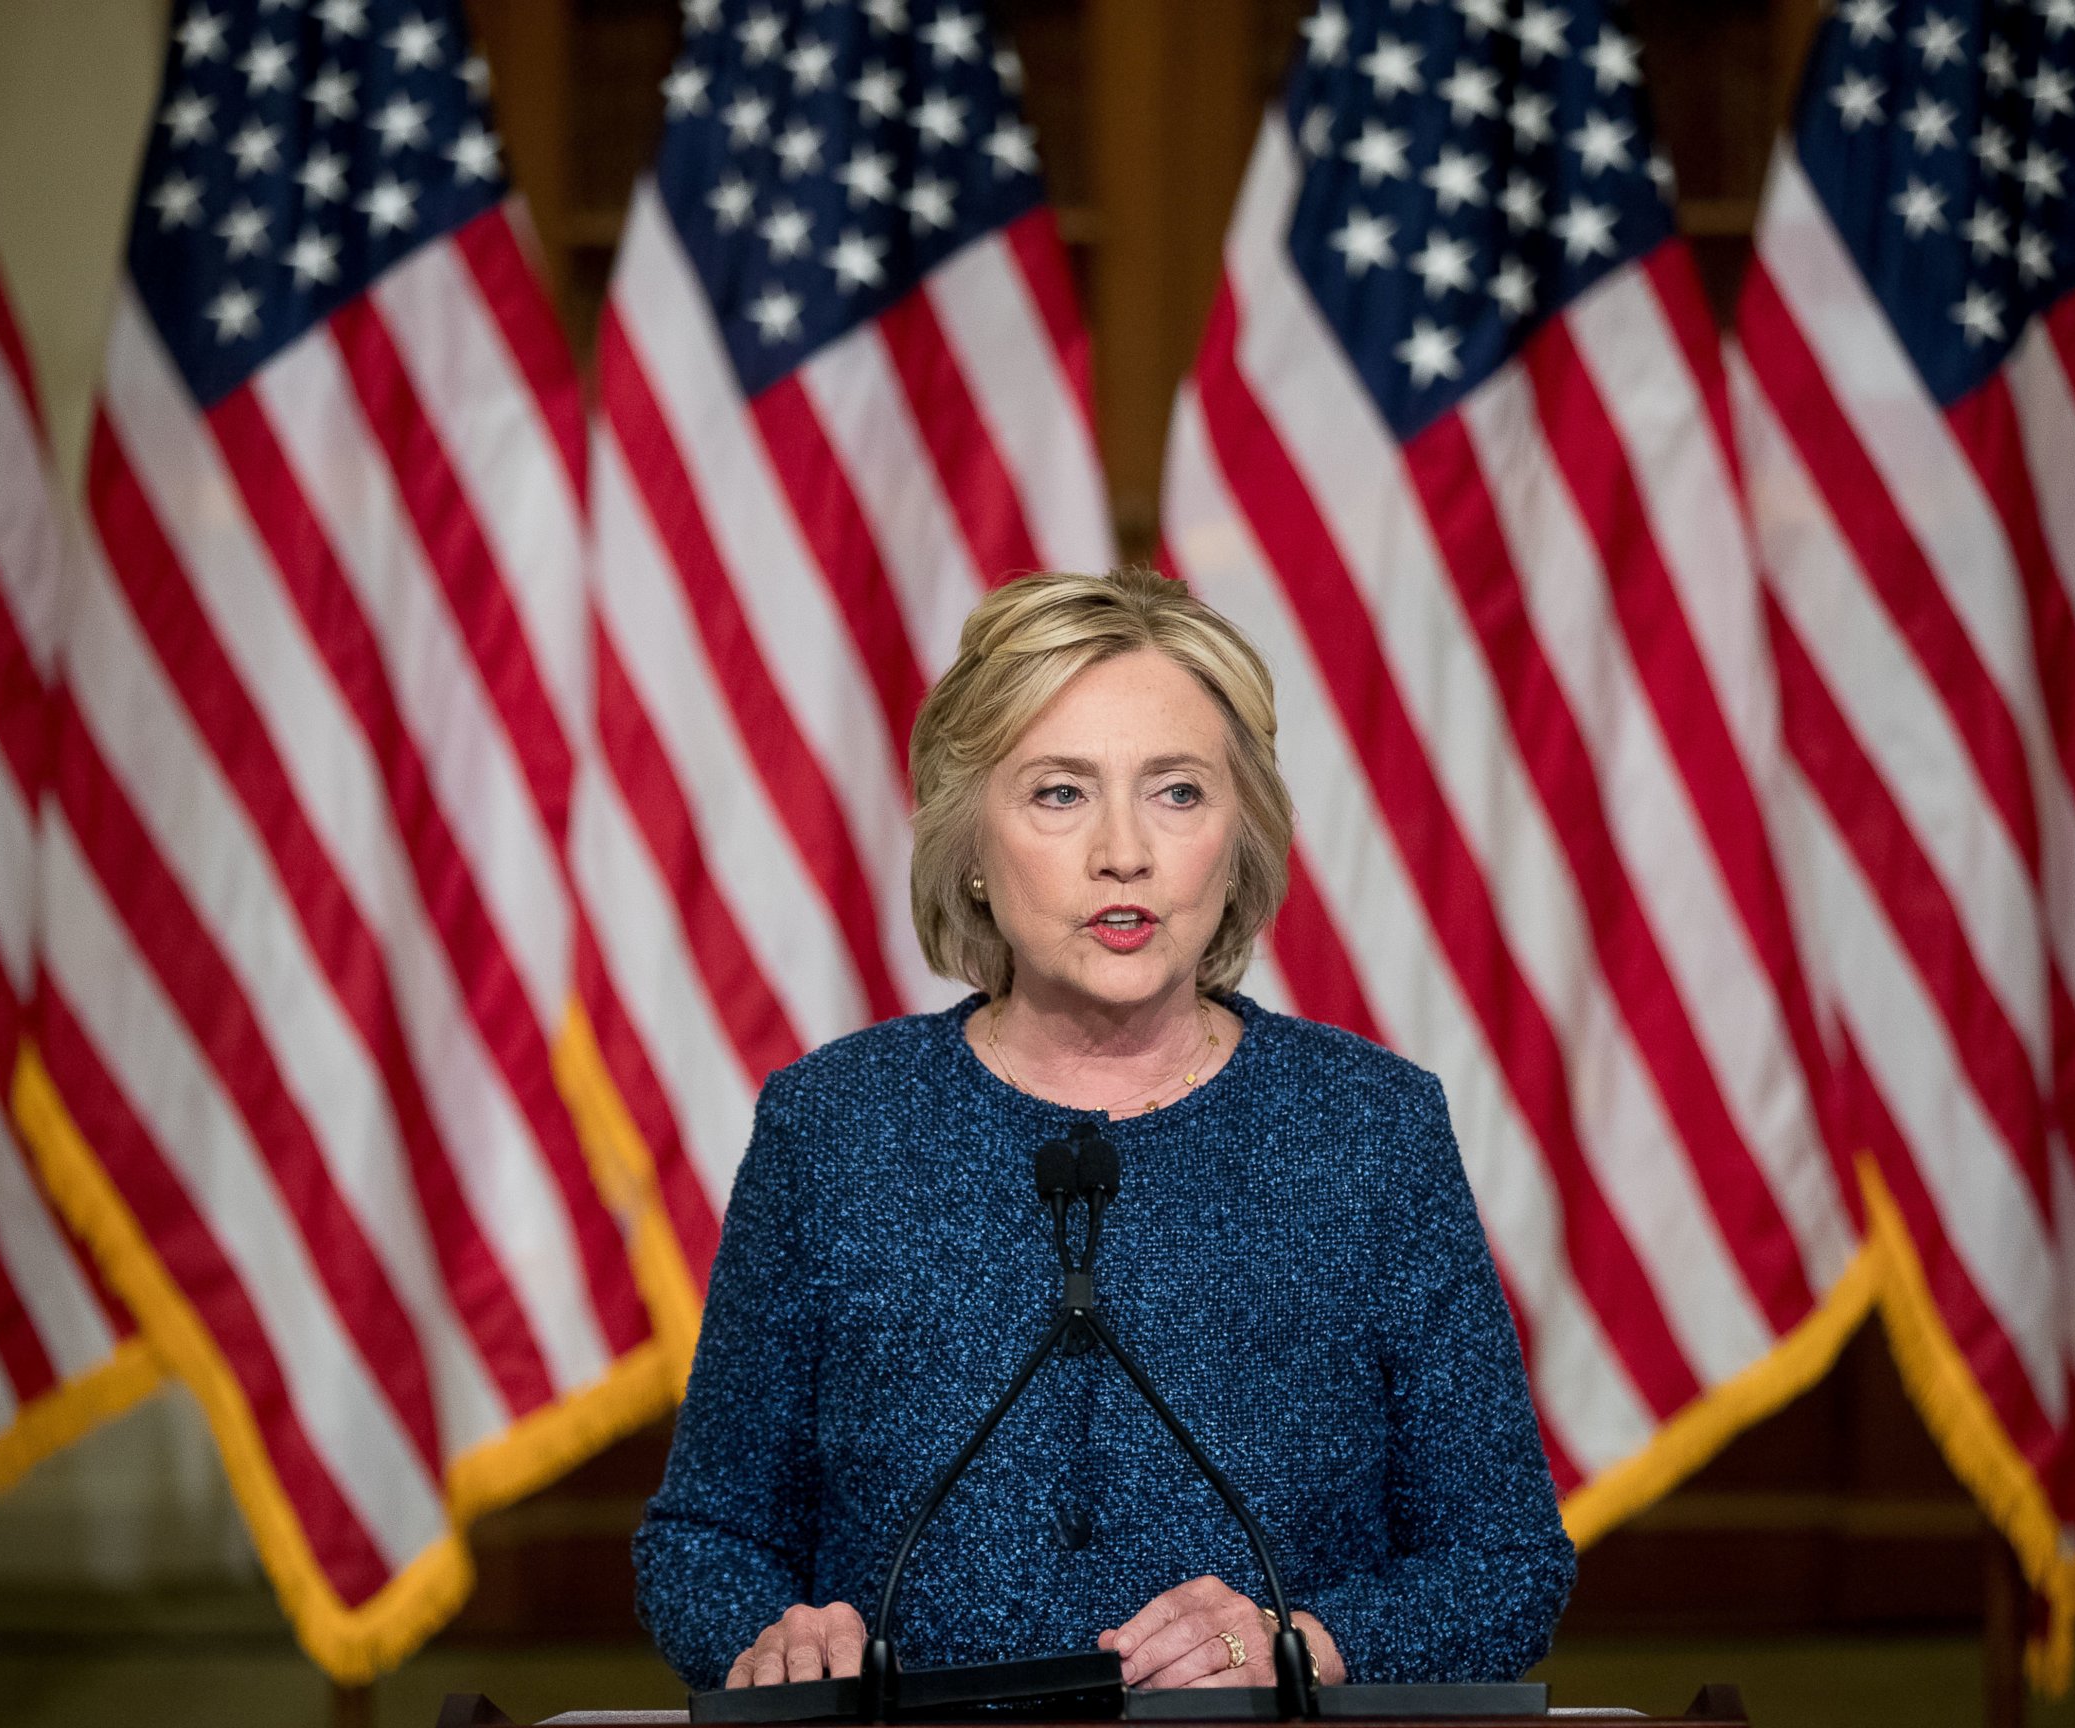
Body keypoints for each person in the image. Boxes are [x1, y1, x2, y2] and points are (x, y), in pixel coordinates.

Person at [633, 569, 1575, 1694]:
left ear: (1241, 840)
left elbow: (1506, 1566)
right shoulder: (833, 1126)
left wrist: (1301, 1647)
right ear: (971, 843)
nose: (1123, 851)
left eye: (1177, 793)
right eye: (1059, 794)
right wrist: (780, 1636)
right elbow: (703, 1542)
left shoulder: (1371, 1128)